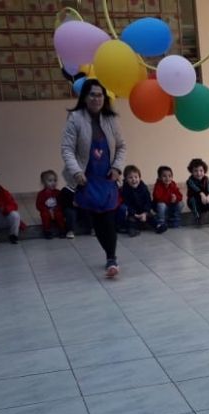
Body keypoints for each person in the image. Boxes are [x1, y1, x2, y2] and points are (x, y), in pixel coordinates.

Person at [61, 78, 127, 278]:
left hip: (107, 178)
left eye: (100, 95)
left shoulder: (111, 119)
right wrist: (76, 172)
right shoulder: (75, 118)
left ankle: (112, 258)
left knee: (108, 217)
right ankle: (109, 255)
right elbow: (67, 149)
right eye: (92, 95)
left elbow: (122, 146)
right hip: (86, 179)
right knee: (97, 220)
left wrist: (117, 168)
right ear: (84, 97)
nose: (96, 99)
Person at [118, 165, 156, 236]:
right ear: (126, 179)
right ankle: (132, 229)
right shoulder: (125, 190)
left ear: (139, 178)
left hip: (143, 211)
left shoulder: (143, 188)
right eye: (130, 177)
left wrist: (145, 212)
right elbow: (126, 203)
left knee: (152, 216)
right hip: (133, 213)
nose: (134, 179)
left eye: (136, 177)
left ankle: (158, 226)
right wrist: (134, 214)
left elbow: (148, 201)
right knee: (131, 220)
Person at [186, 158, 209, 228]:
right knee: (193, 200)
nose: (198, 173)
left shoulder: (206, 179)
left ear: (204, 171)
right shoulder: (190, 181)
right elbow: (196, 189)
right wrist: (202, 194)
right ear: (191, 172)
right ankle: (198, 217)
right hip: (194, 201)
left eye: (201, 170)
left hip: (204, 201)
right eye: (195, 171)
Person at [36, 169, 67, 239]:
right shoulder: (41, 194)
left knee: (59, 215)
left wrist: (55, 209)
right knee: (45, 215)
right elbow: (39, 205)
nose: (53, 183)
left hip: (56, 210)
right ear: (44, 182)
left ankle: (62, 229)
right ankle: (46, 231)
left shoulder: (58, 192)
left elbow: (61, 203)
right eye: (50, 181)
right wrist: (47, 210)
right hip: (46, 211)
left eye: (55, 180)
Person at [152, 165, 183, 233]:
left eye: (169, 176)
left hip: (170, 206)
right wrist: (170, 199)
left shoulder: (173, 184)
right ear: (159, 178)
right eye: (164, 176)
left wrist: (175, 198)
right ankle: (161, 223)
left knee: (180, 203)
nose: (167, 178)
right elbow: (158, 198)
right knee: (161, 205)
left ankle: (175, 221)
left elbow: (180, 196)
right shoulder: (158, 185)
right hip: (161, 208)